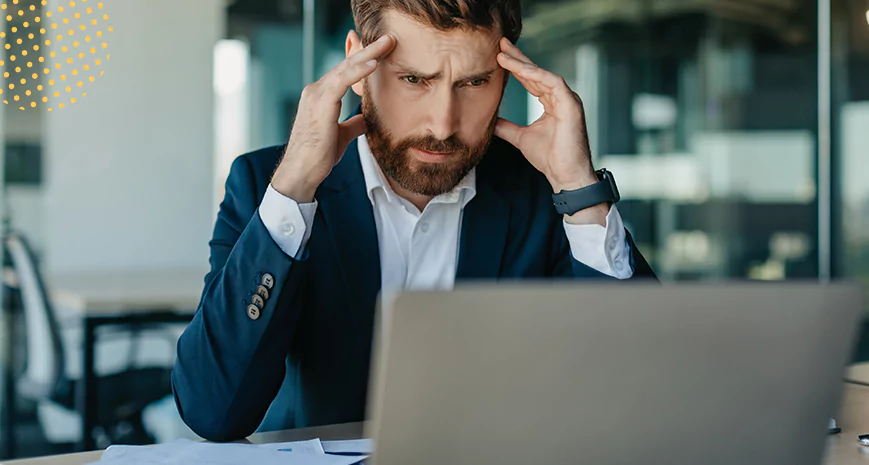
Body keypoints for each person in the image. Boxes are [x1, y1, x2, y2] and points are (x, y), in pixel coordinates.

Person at [172, 0, 656, 442]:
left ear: (509, 78)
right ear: (357, 68)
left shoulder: (544, 193)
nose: (442, 124)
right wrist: (294, 188)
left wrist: (580, 190)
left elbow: (645, 396)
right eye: (414, 80)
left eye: (473, 82)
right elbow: (213, 411)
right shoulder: (268, 184)